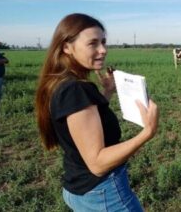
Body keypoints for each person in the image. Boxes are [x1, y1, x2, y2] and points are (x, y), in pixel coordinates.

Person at [35, 13, 159, 212]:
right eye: (93, 43)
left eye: (103, 42)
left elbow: (86, 122)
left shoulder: (63, 83)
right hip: (102, 193)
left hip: (79, 187)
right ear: (67, 47)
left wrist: (106, 93)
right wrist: (147, 133)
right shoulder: (75, 90)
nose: (103, 50)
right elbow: (98, 163)